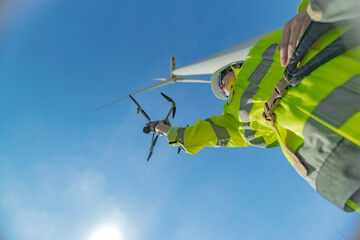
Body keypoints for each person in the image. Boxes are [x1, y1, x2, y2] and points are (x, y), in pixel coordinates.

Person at [155, 0, 360, 212]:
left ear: (234, 66)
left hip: (345, 82)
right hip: (330, 159)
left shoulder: (260, 50)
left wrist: (319, 6)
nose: (224, 90)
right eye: (222, 91)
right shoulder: (232, 115)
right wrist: (167, 131)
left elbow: (314, 15)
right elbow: (206, 133)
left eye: (222, 81)